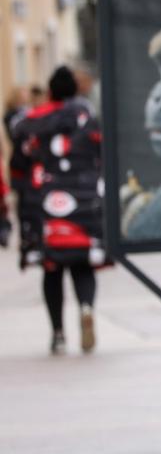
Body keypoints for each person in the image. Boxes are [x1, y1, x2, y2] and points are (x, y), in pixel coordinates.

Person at [14, 67, 104, 354]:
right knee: (82, 263)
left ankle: (58, 333)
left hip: (45, 203)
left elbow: (19, 167)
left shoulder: (31, 122)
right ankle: (87, 308)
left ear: (50, 91)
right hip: (84, 203)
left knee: (52, 268)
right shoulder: (87, 119)